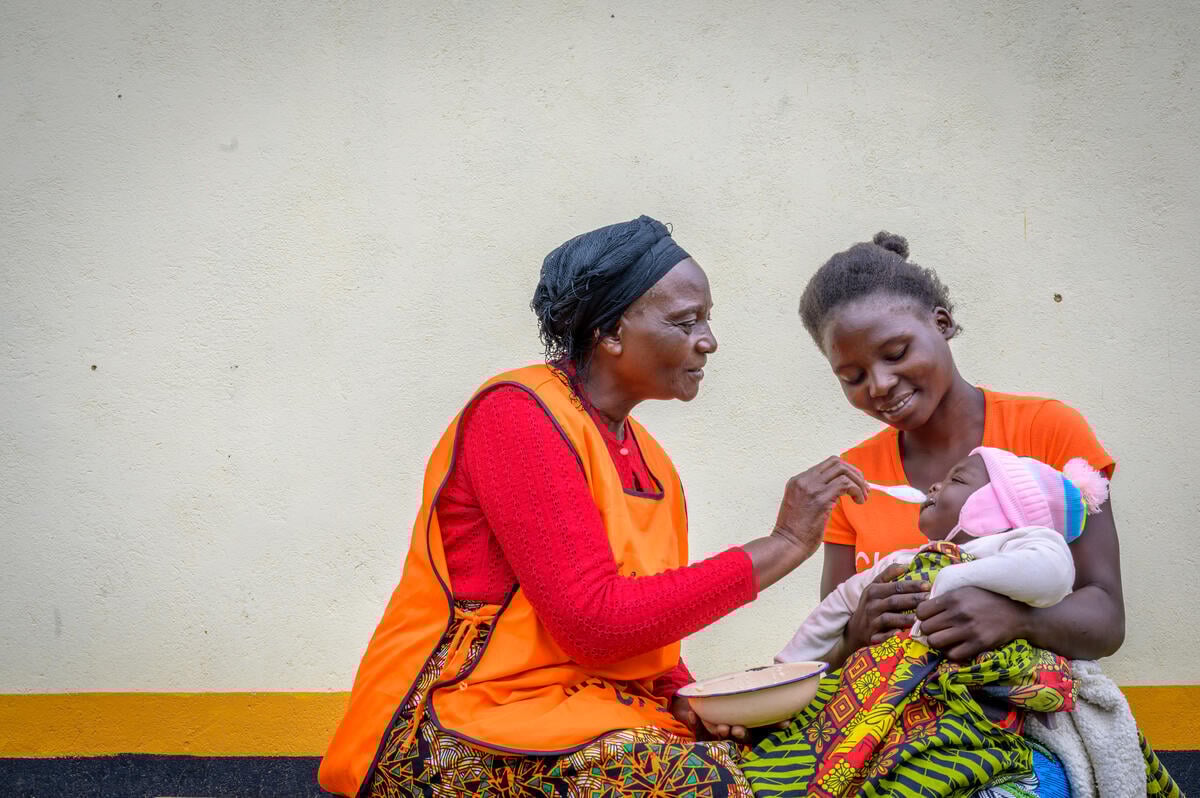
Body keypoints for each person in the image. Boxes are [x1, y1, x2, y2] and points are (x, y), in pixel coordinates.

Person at [317, 215, 868, 798]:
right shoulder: (516, 415)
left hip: (587, 711)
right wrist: (782, 544)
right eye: (686, 321)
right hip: (453, 721)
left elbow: (647, 624)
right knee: (692, 783)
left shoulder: (651, 460)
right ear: (608, 332)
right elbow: (595, 623)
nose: (708, 341)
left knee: (798, 752)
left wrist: (687, 700)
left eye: (708, 319)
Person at [798, 231, 1122, 669]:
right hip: (887, 723)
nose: (879, 385)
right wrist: (857, 634)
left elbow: (1107, 618)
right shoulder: (855, 477)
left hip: (1018, 717)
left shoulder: (1048, 429)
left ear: (942, 323)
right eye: (852, 377)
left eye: (895, 353)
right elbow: (830, 643)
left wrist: (1017, 619)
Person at [776, 447, 1109, 664]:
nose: (935, 485)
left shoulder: (1023, 542)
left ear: (1000, 505)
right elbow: (836, 605)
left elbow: (1052, 573)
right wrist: (787, 668)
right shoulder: (904, 561)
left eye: (957, 479)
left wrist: (956, 578)